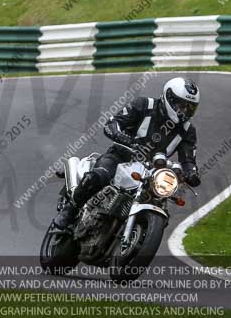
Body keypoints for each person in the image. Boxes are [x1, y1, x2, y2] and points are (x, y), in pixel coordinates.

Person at [53, 77, 202, 230]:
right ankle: (70, 210)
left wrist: (191, 173)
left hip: (152, 173)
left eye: (190, 108)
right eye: (181, 105)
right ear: (168, 98)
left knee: (161, 208)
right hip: (121, 157)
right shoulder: (144, 105)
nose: (184, 111)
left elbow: (188, 159)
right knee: (98, 177)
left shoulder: (188, 131)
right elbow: (112, 124)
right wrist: (124, 137)